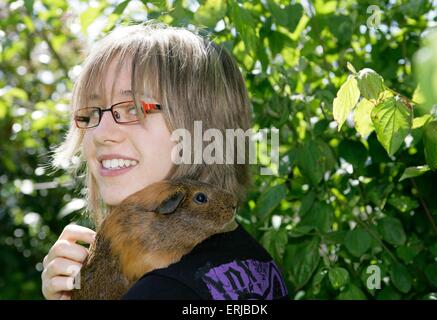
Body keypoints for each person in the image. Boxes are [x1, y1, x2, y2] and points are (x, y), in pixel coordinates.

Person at [41, 21, 288, 300]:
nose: (100, 133)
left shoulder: (162, 289)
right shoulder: (254, 262)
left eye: (134, 108)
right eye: (89, 114)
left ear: (201, 130)